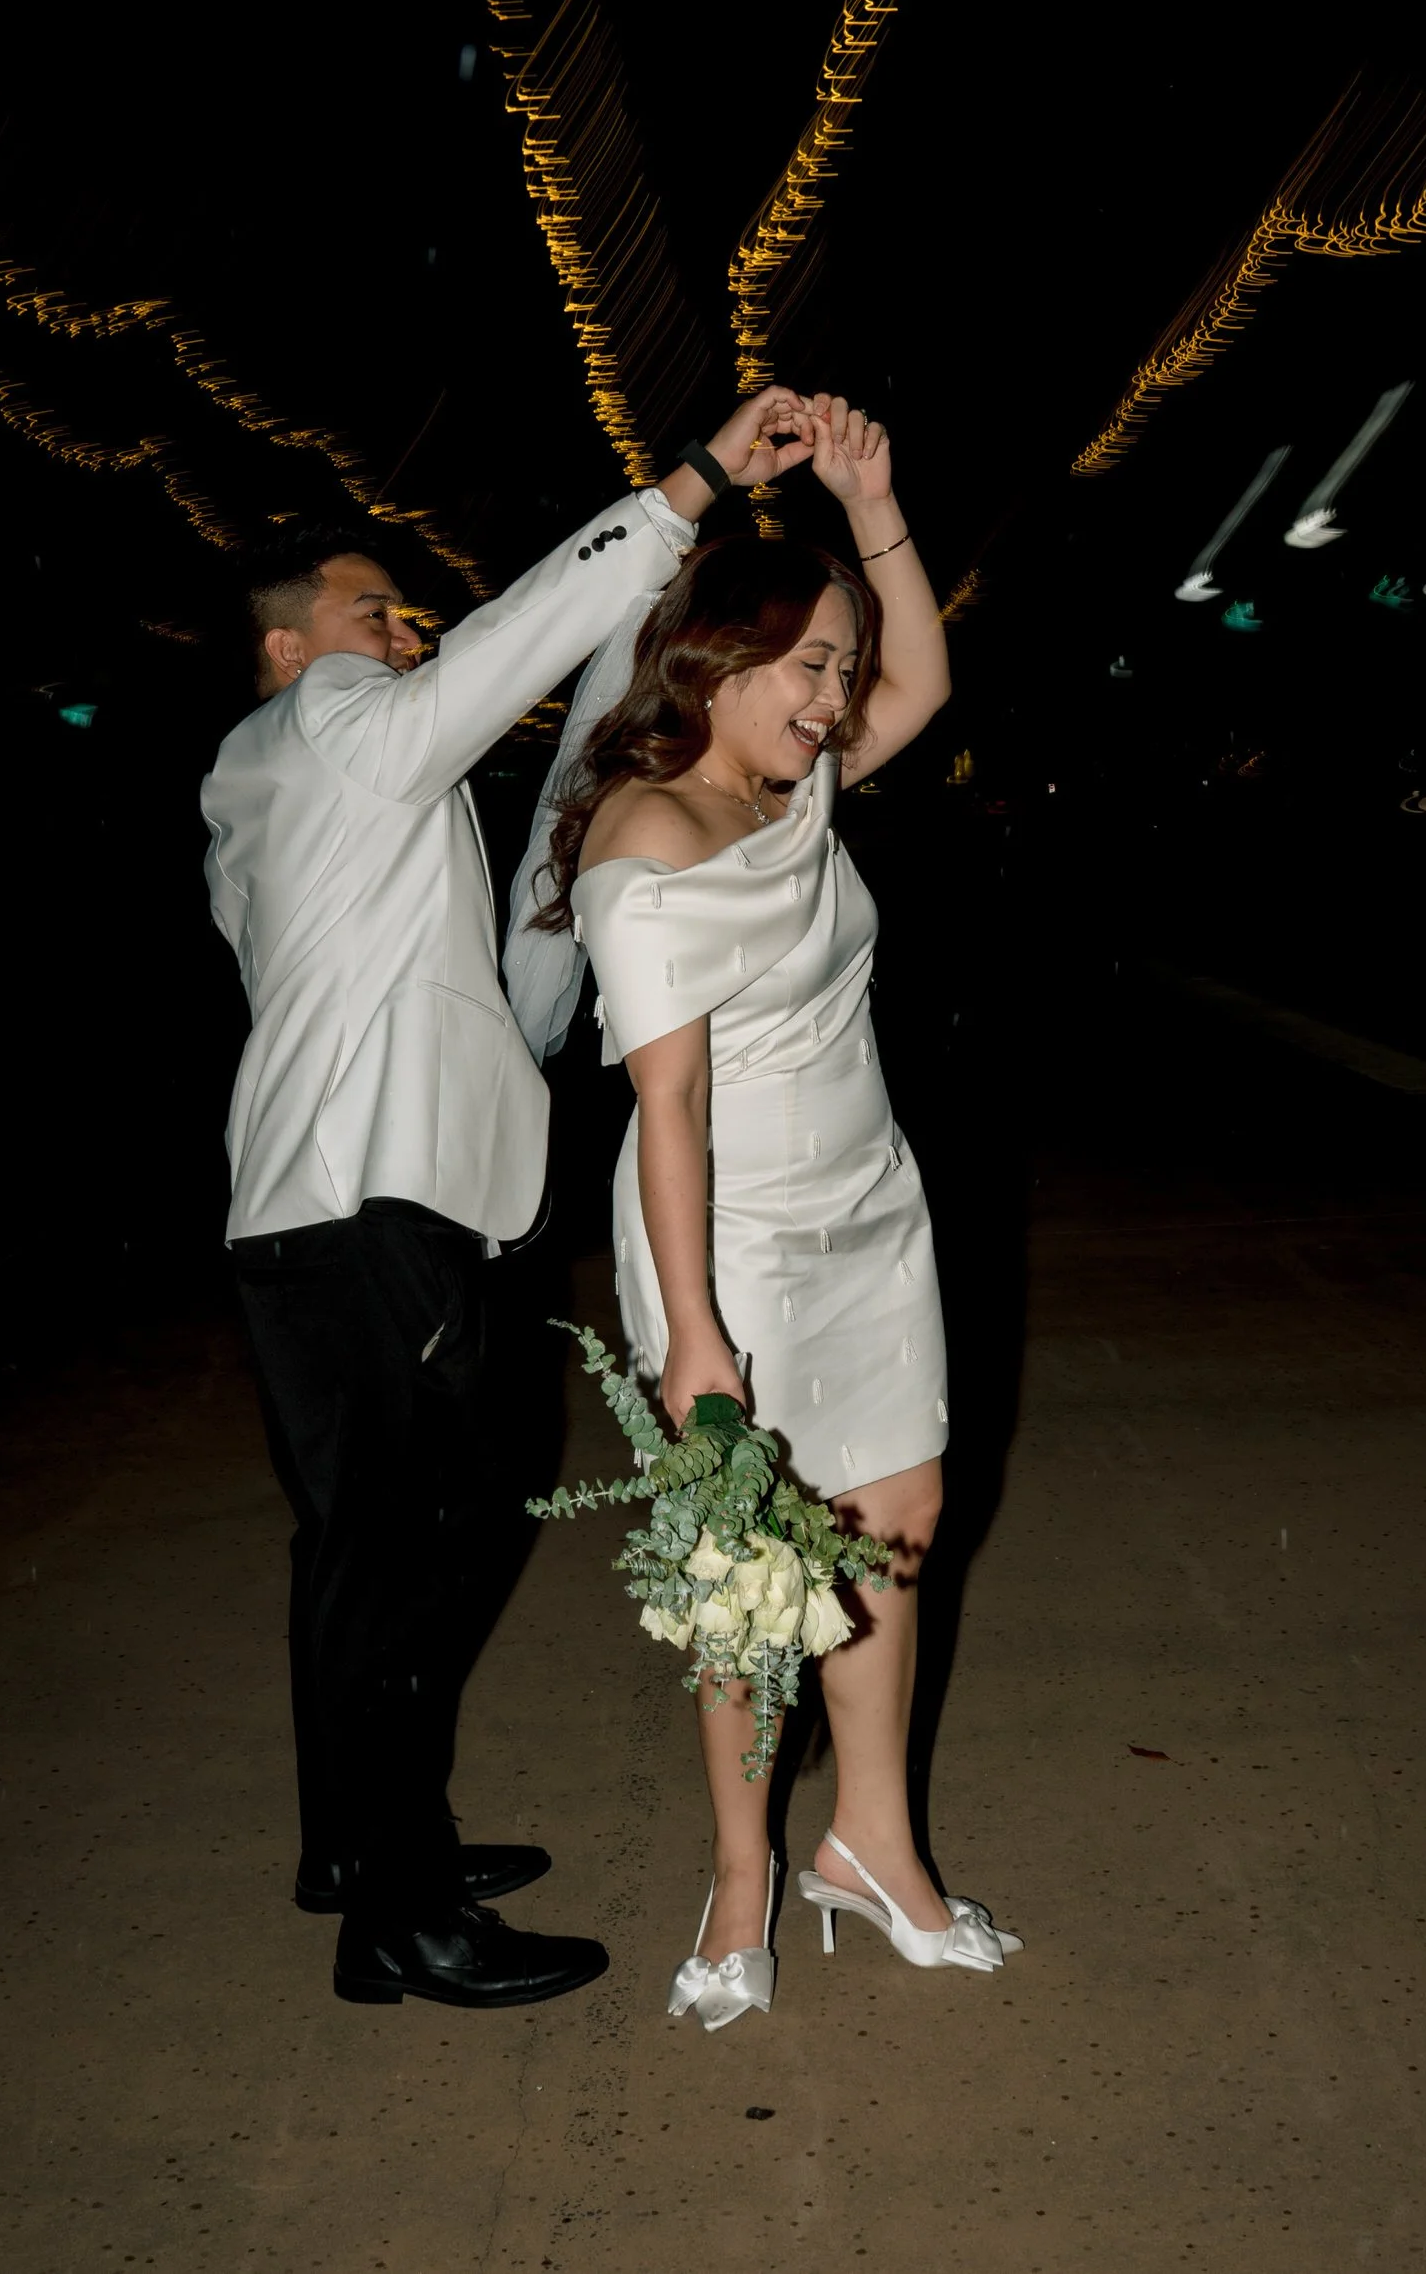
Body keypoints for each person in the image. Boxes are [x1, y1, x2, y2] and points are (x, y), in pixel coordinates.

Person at [200, 386, 813, 2010]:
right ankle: (403, 1915)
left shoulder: (313, 795)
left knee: (372, 1548)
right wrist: (683, 491)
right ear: (289, 646)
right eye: (370, 610)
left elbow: (507, 944)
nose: (404, 628)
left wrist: (631, 689)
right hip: (371, 1210)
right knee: (429, 1540)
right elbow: (504, 653)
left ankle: (364, 1841)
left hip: (339, 1210)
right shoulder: (329, 722)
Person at [513, 394, 1020, 2029]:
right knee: (753, 1576)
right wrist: (698, 1339)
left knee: (894, 1535)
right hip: (728, 1245)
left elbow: (927, 682)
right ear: (713, 664)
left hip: (872, 1213)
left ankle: (870, 1844)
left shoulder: (795, 790)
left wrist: (875, 499)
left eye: (836, 666)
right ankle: (744, 1869)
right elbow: (666, 1108)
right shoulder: (646, 834)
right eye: (809, 664)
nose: (837, 695)